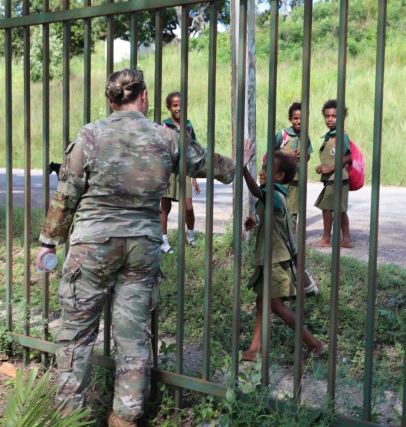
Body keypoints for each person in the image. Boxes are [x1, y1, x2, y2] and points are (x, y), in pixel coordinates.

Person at [35, 69, 234, 427]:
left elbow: (67, 193)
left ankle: (70, 417)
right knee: (133, 335)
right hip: (142, 245)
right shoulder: (165, 137)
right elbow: (206, 163)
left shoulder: (91, 135)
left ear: (110, 102)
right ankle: (125, 417)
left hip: (91, 246)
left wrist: (48, 241)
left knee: (76, 335)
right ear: (144, 97)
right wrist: (238, 164)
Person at [240, 143, 324, 362]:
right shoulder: (274, 197)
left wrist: (243, 168)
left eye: (266, 169)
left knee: (276, 306)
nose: (262, 171)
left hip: (276, 261)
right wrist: (254, 222)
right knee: (261, 303)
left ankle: (314, 344)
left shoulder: (274, 195)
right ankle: (255, 348)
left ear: (279, 175)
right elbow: (271, 221)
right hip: (269, 260)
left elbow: (257, 191)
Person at [160, 91, 201, 253]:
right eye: (175, 105)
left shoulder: (188, 126)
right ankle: (163, 241)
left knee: (188, 207)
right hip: (168, 171)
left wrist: (195, 176)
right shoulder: (164, 125)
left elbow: (195, 151)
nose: (178, 108)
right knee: (165, 207)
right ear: (169, 107)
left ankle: (190, 236)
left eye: (181, 105)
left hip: (185, 171)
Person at [312, 99, 354, 248]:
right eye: (327, 116)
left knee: (327, 209)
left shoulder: (341, 135)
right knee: (340, 210)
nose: (330, 119)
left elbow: (348, 157)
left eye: (334, 116)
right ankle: (346, 240)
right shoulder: (331, 135)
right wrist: (322, 167)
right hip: (333, 179)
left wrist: (329, 169)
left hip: (336, 178)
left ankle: (326, 239)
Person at [274, 102, 313, 236]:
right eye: (295, 118)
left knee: (294, 209)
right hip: (281, 179)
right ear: (290, 119)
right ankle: (279, 234)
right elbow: (271, 152)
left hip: (296, 179)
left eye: (302, 118)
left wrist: (305, 154)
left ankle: (291, 236)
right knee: (279, 205)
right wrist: (287, 154)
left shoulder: (305, 137)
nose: (298, 121)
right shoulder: (283, 134)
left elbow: (308, 155)